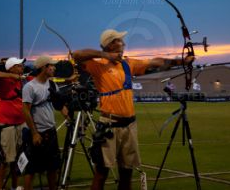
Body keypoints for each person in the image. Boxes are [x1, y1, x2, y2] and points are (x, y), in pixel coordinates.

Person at [73, 29, 194, 190]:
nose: (123, 44)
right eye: (119, 41)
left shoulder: (128, 64)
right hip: (109, 125)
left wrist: (181, 61)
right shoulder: (97, 65)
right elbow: (77, 55)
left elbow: (155, 62)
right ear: (109, 44)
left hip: (129, 126)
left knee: (127, 173)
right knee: (101, 173)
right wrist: (105, 56)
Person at [22, 55, 68, 190]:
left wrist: (67, 115)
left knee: (52, 167)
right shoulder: (30, 87)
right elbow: (25, 111)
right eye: (51, 65)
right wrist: (34, 133)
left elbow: (59, 104)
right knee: (31, 169)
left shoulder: (52, 84)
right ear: (43, 68)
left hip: (50, 131)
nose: (54, 68)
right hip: (36, 133)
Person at [0, 57, 26, 190]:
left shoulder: (22, 79)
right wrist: (11, 75)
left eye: (21, 65)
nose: (22, 67)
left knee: (18, 158)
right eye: (19, 65)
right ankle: (0, 187)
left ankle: (15, 186)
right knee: (5, 158)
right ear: (11, 68)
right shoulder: (3, 79)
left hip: (21, 122)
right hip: (7, 123)